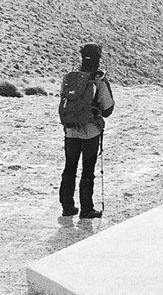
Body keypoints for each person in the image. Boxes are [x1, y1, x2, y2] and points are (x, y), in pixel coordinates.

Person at [58, 42, 115, 219]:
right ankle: (86, 209)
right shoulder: (98, 80)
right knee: (87, 169)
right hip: (90, 131)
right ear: (98, 57)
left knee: (69, 168)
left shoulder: (71, 77)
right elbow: (107, 109)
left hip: (70, 131)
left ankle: (67, 206)